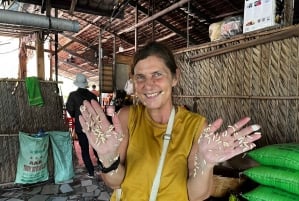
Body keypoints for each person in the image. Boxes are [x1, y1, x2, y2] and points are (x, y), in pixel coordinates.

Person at [78, 41, 262, 201]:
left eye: (157, 74)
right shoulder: (127, 117)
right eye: (140, 77)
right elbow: (115, 182)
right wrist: (108, 159)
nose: (148, 85)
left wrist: (206, 164)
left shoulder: (195, 126)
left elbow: (195, 196)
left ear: (175, 77)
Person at [66, 73, 100, 178]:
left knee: (84, 149)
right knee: (97, 147)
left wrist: (76, 114)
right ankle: (102, 165)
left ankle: (91, 172)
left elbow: (70, 110)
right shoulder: (93, 95)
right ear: (85, 84)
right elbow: (97, 110)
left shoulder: (73, 96)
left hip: (81, 127)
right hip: (93, 125)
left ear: (77, 83)